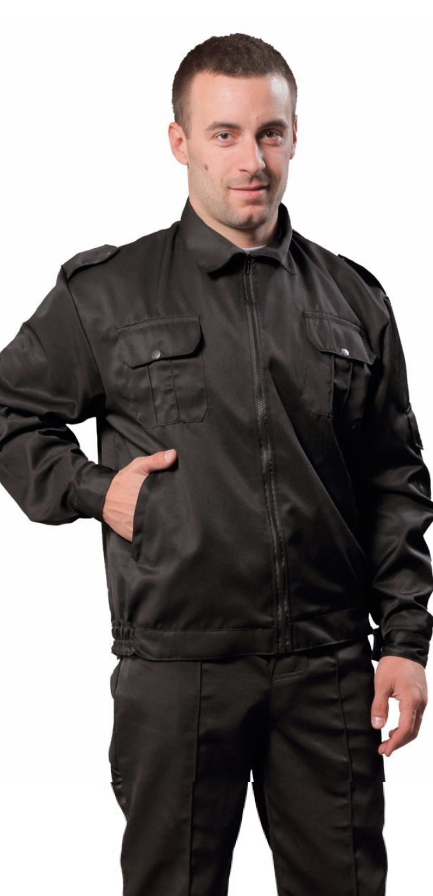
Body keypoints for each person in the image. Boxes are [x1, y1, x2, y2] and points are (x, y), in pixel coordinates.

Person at [0, 31, 431, 896]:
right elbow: (11, 415)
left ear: (295, 136)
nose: (251, 160)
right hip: (177, 668)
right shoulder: (107, 293)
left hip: (326, 668)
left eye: (269, 133)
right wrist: (93, 491)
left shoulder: (352, 297)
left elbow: (393, 477)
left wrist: (405, 641)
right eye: (224, 134)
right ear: (180, 142)